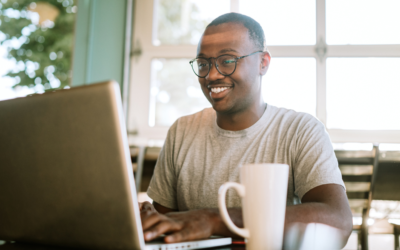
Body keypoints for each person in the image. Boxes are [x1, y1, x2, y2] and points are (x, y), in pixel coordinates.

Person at [139, 12, 352, 246]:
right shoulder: (181, 132)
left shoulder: (300, 130)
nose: (211, 75)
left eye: (227, 60)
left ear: (263, 63)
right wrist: (148, 220)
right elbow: (167, 226)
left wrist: (214, 219)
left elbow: (338, 221)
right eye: (203, 64)